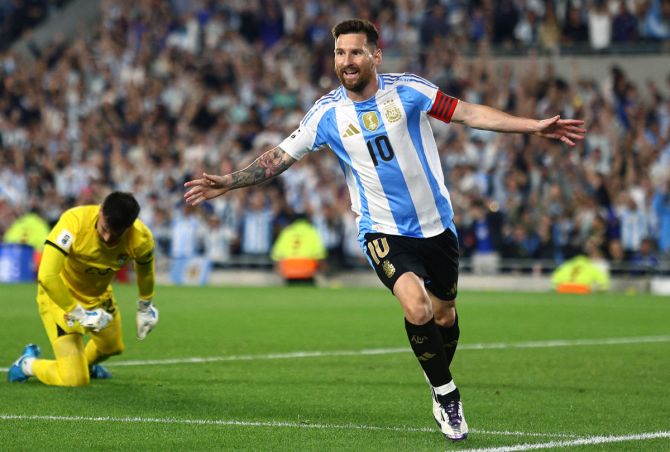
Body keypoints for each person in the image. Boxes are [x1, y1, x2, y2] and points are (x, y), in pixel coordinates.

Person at [183, 18, 585, 442]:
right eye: (340, 53)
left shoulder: (409, 90)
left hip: (436, 227)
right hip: (381, 230)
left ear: (376, 55)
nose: (346, 61)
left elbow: (467, 113)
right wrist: (230, 181)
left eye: (355, 52)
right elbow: (279, 157)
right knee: (417, 308)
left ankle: (437, 381)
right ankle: (447, 394)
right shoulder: (327, 114)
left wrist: (533, 126)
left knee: (445, 314)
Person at [7, 191, 159, 386]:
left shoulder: (141, 239)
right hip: (61, 297)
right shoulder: (74, 222)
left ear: (129, 228)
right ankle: (27, 364)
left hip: (98, 297)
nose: (106, 238)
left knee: (112, 346)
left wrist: (145, 305)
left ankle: (84, 363)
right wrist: (79, 314)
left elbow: (145, 271)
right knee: (75, 380)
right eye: (104, 228)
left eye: (115, 234)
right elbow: (47, 276)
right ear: (101, 210)